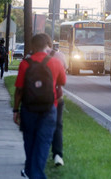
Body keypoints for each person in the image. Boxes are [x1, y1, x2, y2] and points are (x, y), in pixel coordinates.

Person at [13, 33, 66, 179]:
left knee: (29, 143)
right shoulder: (55, 62)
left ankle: (31, 172)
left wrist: (16, 110)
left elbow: (19, 90)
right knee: (43, 144)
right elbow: (62, 81)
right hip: (49, 109)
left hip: (28, 109)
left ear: (33, 47)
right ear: (47, 46)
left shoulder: (25, 63)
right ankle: (35, 174)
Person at [39, 34, 67, 166]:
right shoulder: (59, 56)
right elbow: (63, 80)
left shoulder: (31, 57)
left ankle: (38, 154)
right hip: (56, 97)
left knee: (38, 125)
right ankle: (57, 154)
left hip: (36, 98)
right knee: (57, 126)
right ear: (50, 43)